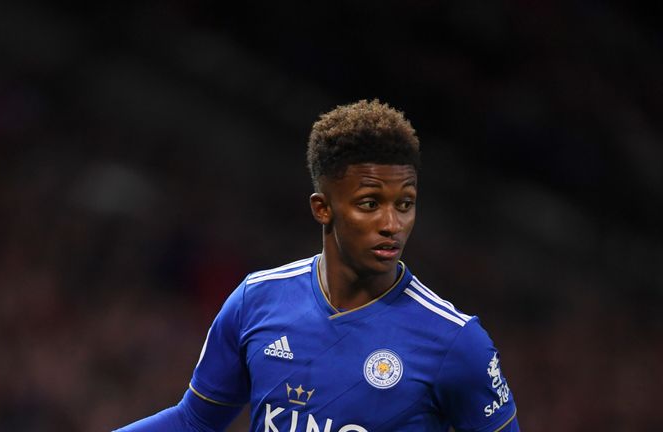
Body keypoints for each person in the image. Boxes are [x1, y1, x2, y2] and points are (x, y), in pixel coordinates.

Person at [115, 99, 519, 431]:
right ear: (323, 208)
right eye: (369, 204)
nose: (391, 225)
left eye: (405, 204)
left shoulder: (455, 341)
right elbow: (194, 422)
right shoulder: (257, 300)